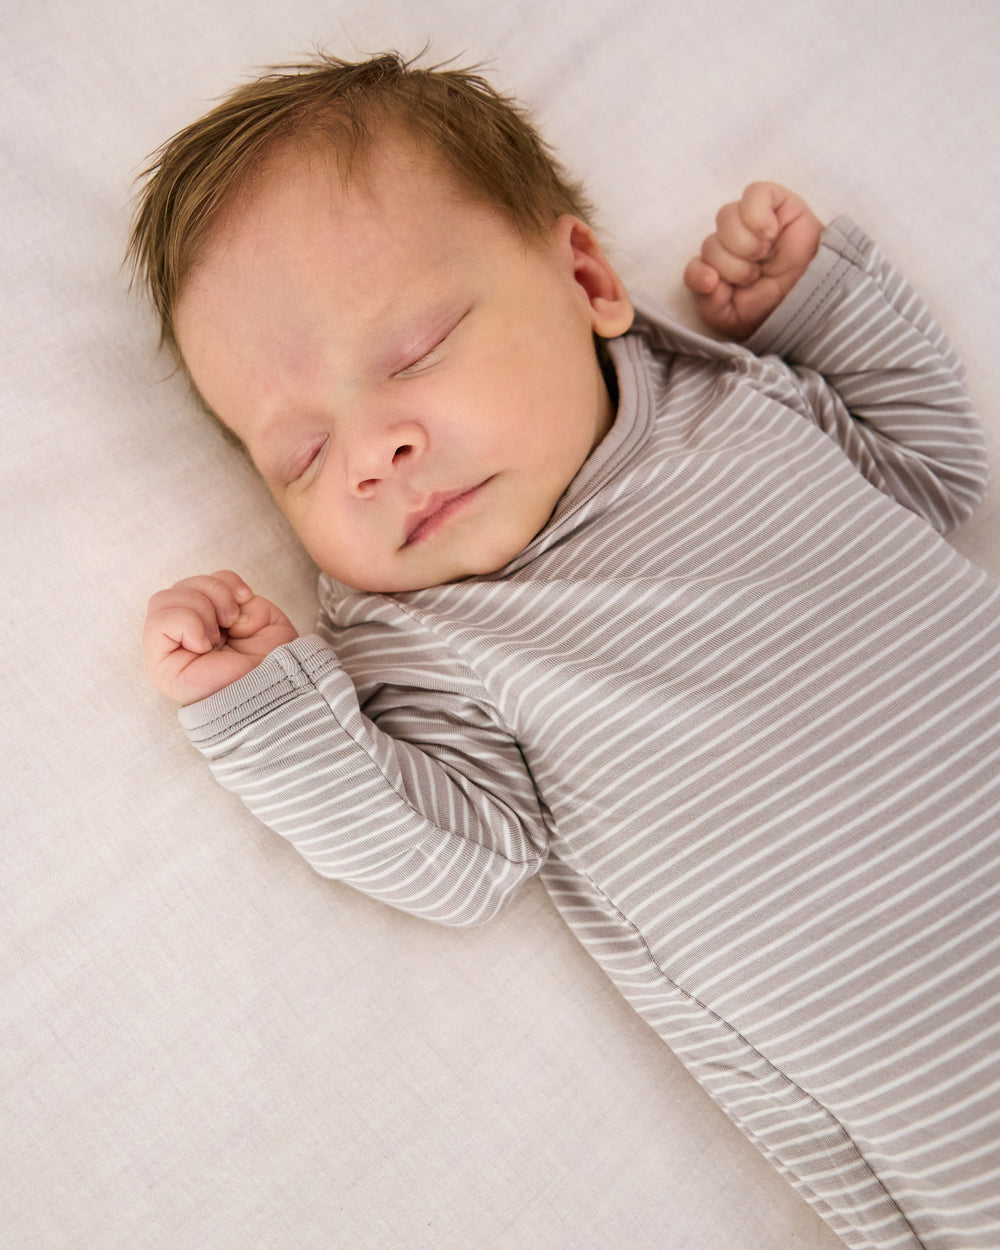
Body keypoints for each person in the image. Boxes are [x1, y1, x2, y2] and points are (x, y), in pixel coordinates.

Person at [131, 52, 1000, 1249]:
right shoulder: (432, 633)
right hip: (943, 1081)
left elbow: (932, 474)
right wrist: (270, 712)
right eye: (299, 455)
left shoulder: (730, 398)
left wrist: (816, 309)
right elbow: (456, 855)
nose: (371, 452)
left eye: (412, 352)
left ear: (587, 277)